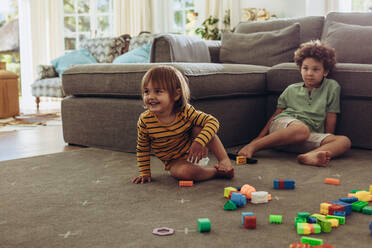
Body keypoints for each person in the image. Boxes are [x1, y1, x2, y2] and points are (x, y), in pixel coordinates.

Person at [238, 40, 351, 166]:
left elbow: (331, 115)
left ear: (325, 72)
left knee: (344, 141)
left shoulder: (332, 87)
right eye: (305, 68)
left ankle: (310, 156)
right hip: (283, 126)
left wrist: (327, 139)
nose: (309, 73)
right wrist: (257, 139)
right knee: (301, 129)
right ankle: (255, 146)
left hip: (305, 137)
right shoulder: (291, 89)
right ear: (300, 69)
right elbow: (276, 115)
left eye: (315, 69)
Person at [132, 65, 234, 184]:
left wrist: (199, 142)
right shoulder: (145, 121)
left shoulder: (185, 111)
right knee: (184, 173)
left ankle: (224, 161)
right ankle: (216, 173)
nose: (151, 97)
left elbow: (213, 121)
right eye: (146, 91)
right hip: (175, 162)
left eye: (158, 91)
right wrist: (144, 173)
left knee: (199, 127)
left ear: (176, 94)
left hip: (196, 150)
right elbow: (142, 148)